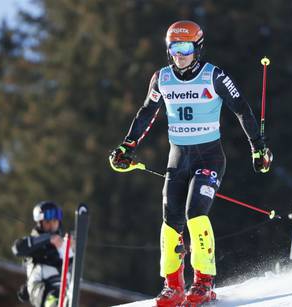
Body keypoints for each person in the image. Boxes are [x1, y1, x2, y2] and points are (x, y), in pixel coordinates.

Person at [109, 20, 273, 306]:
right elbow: (147, 113)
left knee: (195, 214)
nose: (180, 54)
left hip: (209, 156)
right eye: (174, 48)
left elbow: (243, 110)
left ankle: (204, 283)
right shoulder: (162, 78)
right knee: (170, 219)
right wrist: (128, 145)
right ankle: (173, 286)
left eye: (185, 47)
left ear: (197, 48)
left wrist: (258, 148)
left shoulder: (215, 76)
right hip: (178, 157)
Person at [12, 201, 72, 307]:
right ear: (40, 223)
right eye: (47, 222)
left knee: (65, 296)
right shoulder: (35, 242)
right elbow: (17, 248)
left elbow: (72, 264)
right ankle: (54, 304)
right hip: (40, 287)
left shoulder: (63, 245)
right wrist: (48, 239)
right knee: (53, 296)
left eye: (55, 221)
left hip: (62, 287)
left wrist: (73, 246)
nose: (52, 225)